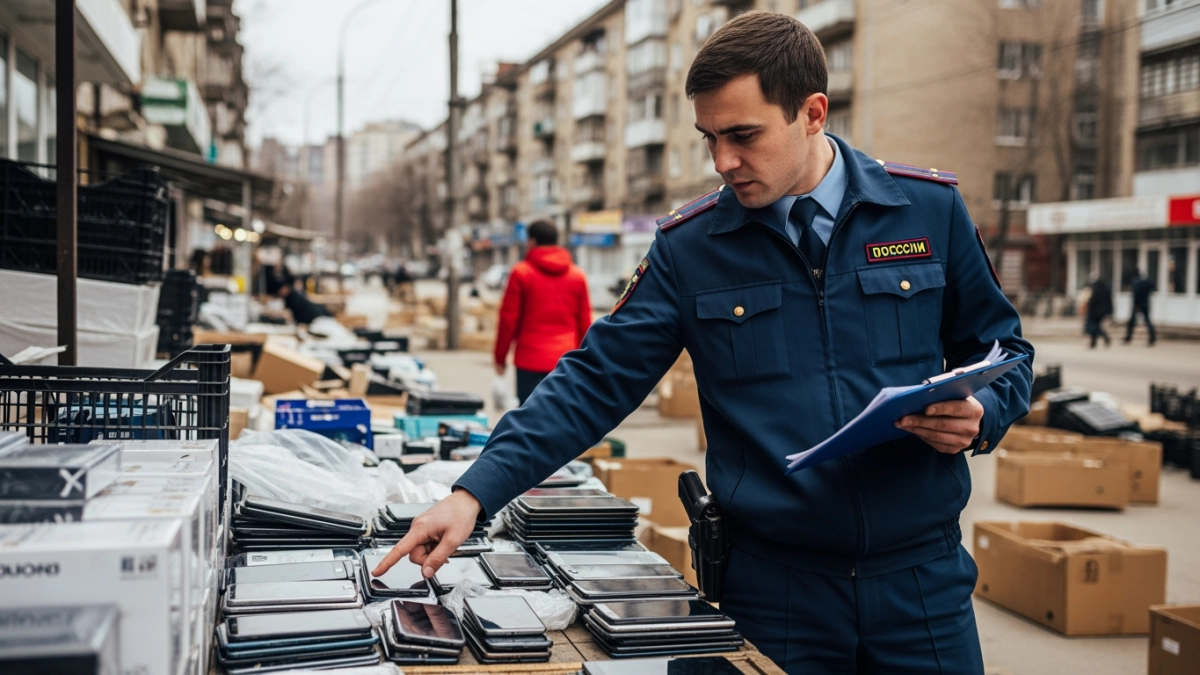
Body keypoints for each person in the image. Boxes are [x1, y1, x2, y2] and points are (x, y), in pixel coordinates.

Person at [374, 12, 1032, 675]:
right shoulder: (691, 248)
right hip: (772, 592)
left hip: (920, 587)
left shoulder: (927, 212)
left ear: (812, 112)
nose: (723, 162)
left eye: (743, 135)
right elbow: (593, 379)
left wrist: (982, 414)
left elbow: (1006, 351)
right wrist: (474, 491)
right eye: (710, 138)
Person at [492, 220, 593, 404]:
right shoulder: (577, 276)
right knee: (562, 418)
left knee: (530, 422)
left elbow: (508, 320)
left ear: (532, 241)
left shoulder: (521, 273)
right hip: (565, 361)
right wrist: (584, 362)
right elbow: (585, 323)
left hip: (528, 361)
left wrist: (500, 357)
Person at [1124, 268, 1157, 346]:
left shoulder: (1136, 282)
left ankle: (1128, 338)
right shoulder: (1146, 282)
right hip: (1145, 304)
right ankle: (1152, 337)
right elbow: (1152, 287)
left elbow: (1136, 294)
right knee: (1147, 321)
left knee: (1132, 322)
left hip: (1138, 304)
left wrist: (1136, 304)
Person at [1084, 273, 1113, 348]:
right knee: (1096, 325)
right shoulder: (1106, 288)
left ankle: (1104, 336)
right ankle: (1093, 342)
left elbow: (1092, 301)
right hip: (1103, 311)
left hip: (1094, 311)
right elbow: (1109, 300)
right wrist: (1110, 311)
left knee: (1093, 326)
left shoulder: (1094, 288)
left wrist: (1089, 309)